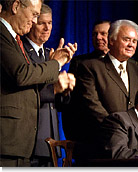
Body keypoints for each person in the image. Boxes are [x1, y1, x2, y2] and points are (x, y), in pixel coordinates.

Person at [0, 0, 77, 167]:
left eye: (49, 22)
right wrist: (56, 65)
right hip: (11, 141)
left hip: (33, 142)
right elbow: (21, 75)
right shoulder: (4, 35)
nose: (35, 22)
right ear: (15, 6)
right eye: (35, 16)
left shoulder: (15, 40)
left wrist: (63, 90)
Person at [62, 19, 138, 161]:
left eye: (134, 41)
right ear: (112, 41)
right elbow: (92, 106)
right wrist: (120, 132)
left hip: (136, 150)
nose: (131, 44)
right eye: (126, 39)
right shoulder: (89, 66)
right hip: (102, 147)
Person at [21, 4, 75, 166]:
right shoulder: (21, 52)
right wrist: (54, 88)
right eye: (42, 23)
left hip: (51, 140)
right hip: (30, 141)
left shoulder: (49, 54)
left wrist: (65, 91)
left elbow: (56, 103)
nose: (47, 28)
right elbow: (27, 93)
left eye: (50, 23)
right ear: (31, 23)